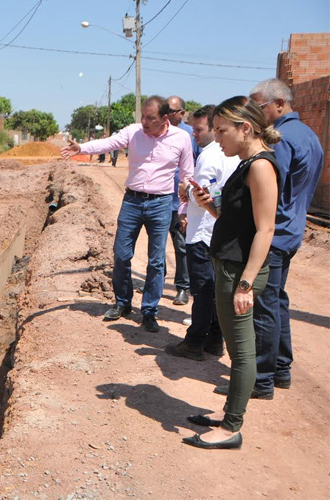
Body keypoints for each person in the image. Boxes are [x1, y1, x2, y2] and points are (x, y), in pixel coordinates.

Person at [212, 79, 324, 399]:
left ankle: (261, 379)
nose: (259, 114)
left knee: (261, 310)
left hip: (272, 235)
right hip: (292, 231)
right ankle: (282, 369)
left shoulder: (283, 141)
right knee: (276, 303)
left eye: (259, 106)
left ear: (278, 104)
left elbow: (267, 190)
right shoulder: (310, 135)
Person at [182, 96, 281, 450]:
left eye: (222, 131)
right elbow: (238, 225)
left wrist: (245, 284)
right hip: (229, 266)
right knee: (239, 350)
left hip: (239, 273)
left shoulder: (260, 167)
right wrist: (211, 208)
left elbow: (265, 231)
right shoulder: (244, 163)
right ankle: (227, 415)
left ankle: (232, 428)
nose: (216, 137)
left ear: (246, 128)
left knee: (241, 354)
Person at [61, 96, 194, 332]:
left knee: (156, 261)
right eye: (142, 116)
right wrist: (81, 148)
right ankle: (122, 303)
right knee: (121, 255)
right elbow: (108, 143)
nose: (144, 121)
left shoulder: (182, 138)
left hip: (161, 204)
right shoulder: (134, 132)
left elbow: (187, 176)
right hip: (132, 201)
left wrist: (184, 211)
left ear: (165, 118)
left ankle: (149, 311)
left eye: (150, 118)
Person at [165, 105, 240, 361]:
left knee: (203, 290)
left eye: (199, 129)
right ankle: (214, 340)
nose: (193, 134)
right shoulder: (234, 155)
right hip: (220, 233)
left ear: (213, 128)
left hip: (203, 233)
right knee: (217, 289)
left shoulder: (209, 156)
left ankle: (195, 341)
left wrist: (187, 191)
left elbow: (204, 195)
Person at [165, 95, 197, 306]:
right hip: (161, 198)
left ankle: (183, 287)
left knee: (181, 246)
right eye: (165, 111)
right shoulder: (160, 132)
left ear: (182, 113)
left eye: (171, 111)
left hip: (180, 202)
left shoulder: (190, 135)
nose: (166, 114)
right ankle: (156, 282)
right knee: (157, 244)